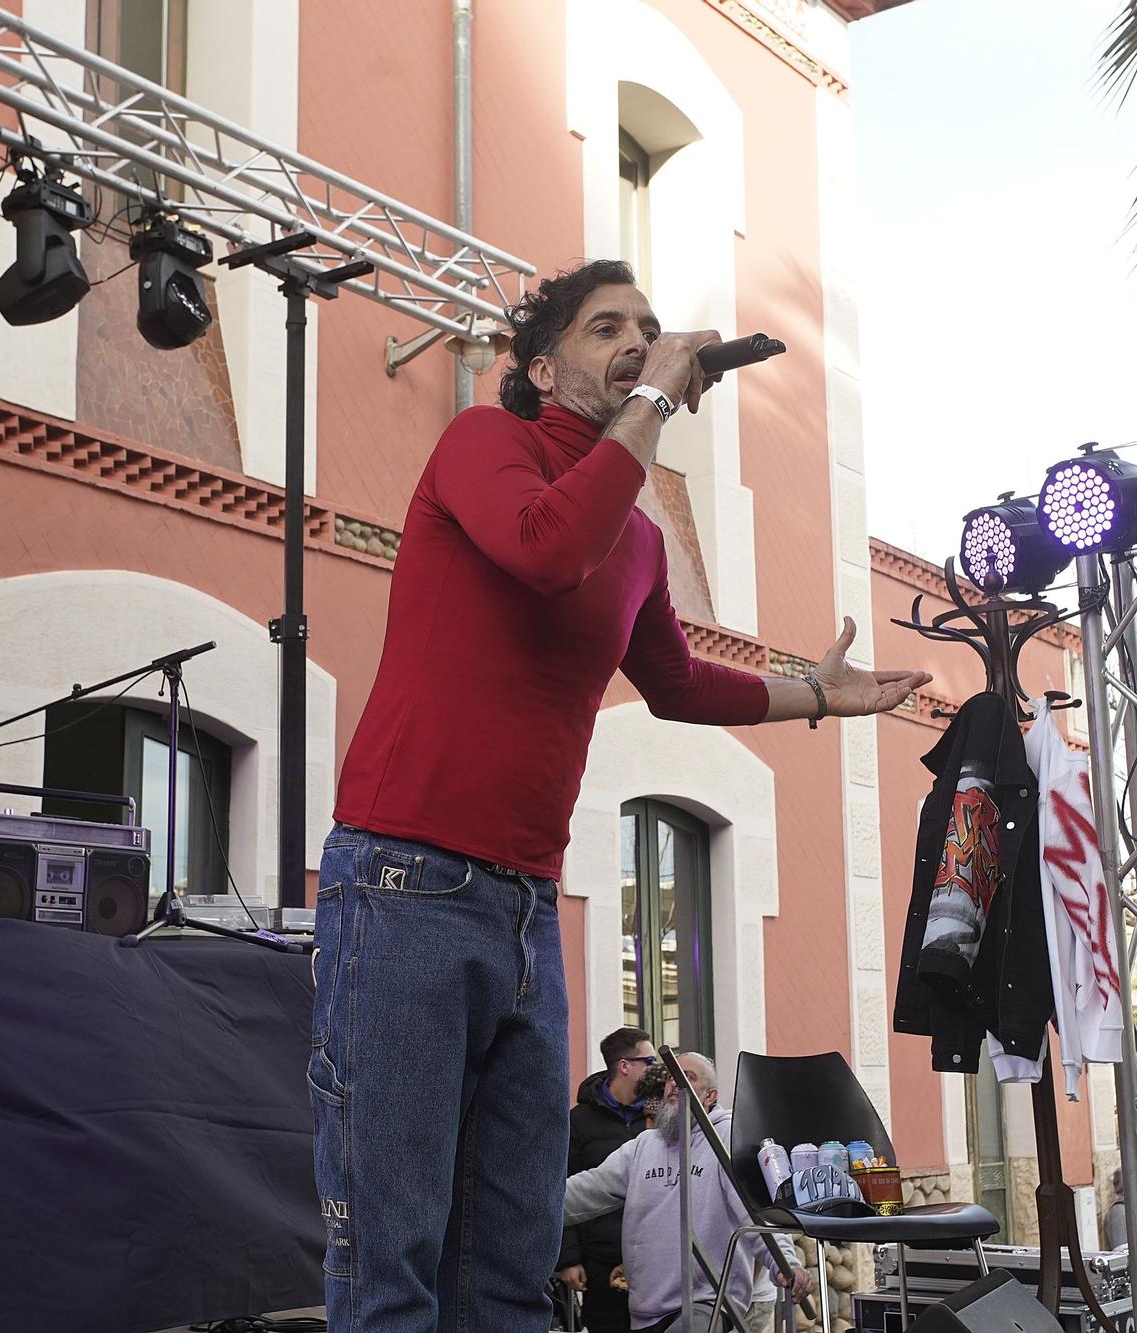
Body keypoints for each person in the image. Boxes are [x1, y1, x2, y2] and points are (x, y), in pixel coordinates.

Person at [309, 258, 933, 1333]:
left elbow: (679, 682)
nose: (638, 339)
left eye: (648, 327)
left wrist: (812, 695)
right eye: (607, 328)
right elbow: (543, 549)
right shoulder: (482, 447)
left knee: (507, 1259)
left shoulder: (636, 534)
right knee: (391, 1259)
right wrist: (649, 402)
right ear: (544, 367)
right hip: (405, 877)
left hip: (521, 908)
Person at [563, 1053, 812, 1333]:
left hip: (709, 1300)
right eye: (671, 1077)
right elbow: (588, 1190)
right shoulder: (643, 1146)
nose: (674, 1084)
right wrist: (532, 1207)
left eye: (687, 1077)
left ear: (710, 1095)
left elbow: (754, 1214)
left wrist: (786, 1264)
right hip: (646, 1309)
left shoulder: (726, 1140)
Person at [557, 1027, 659, 1331]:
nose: (657, 1070)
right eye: (650, 1061)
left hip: (654, 1260)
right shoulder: (578, 1122)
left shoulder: (661, 1120)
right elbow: (562, 1187)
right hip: (600, 1263)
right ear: (625, 1066)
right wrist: (568, 1258)